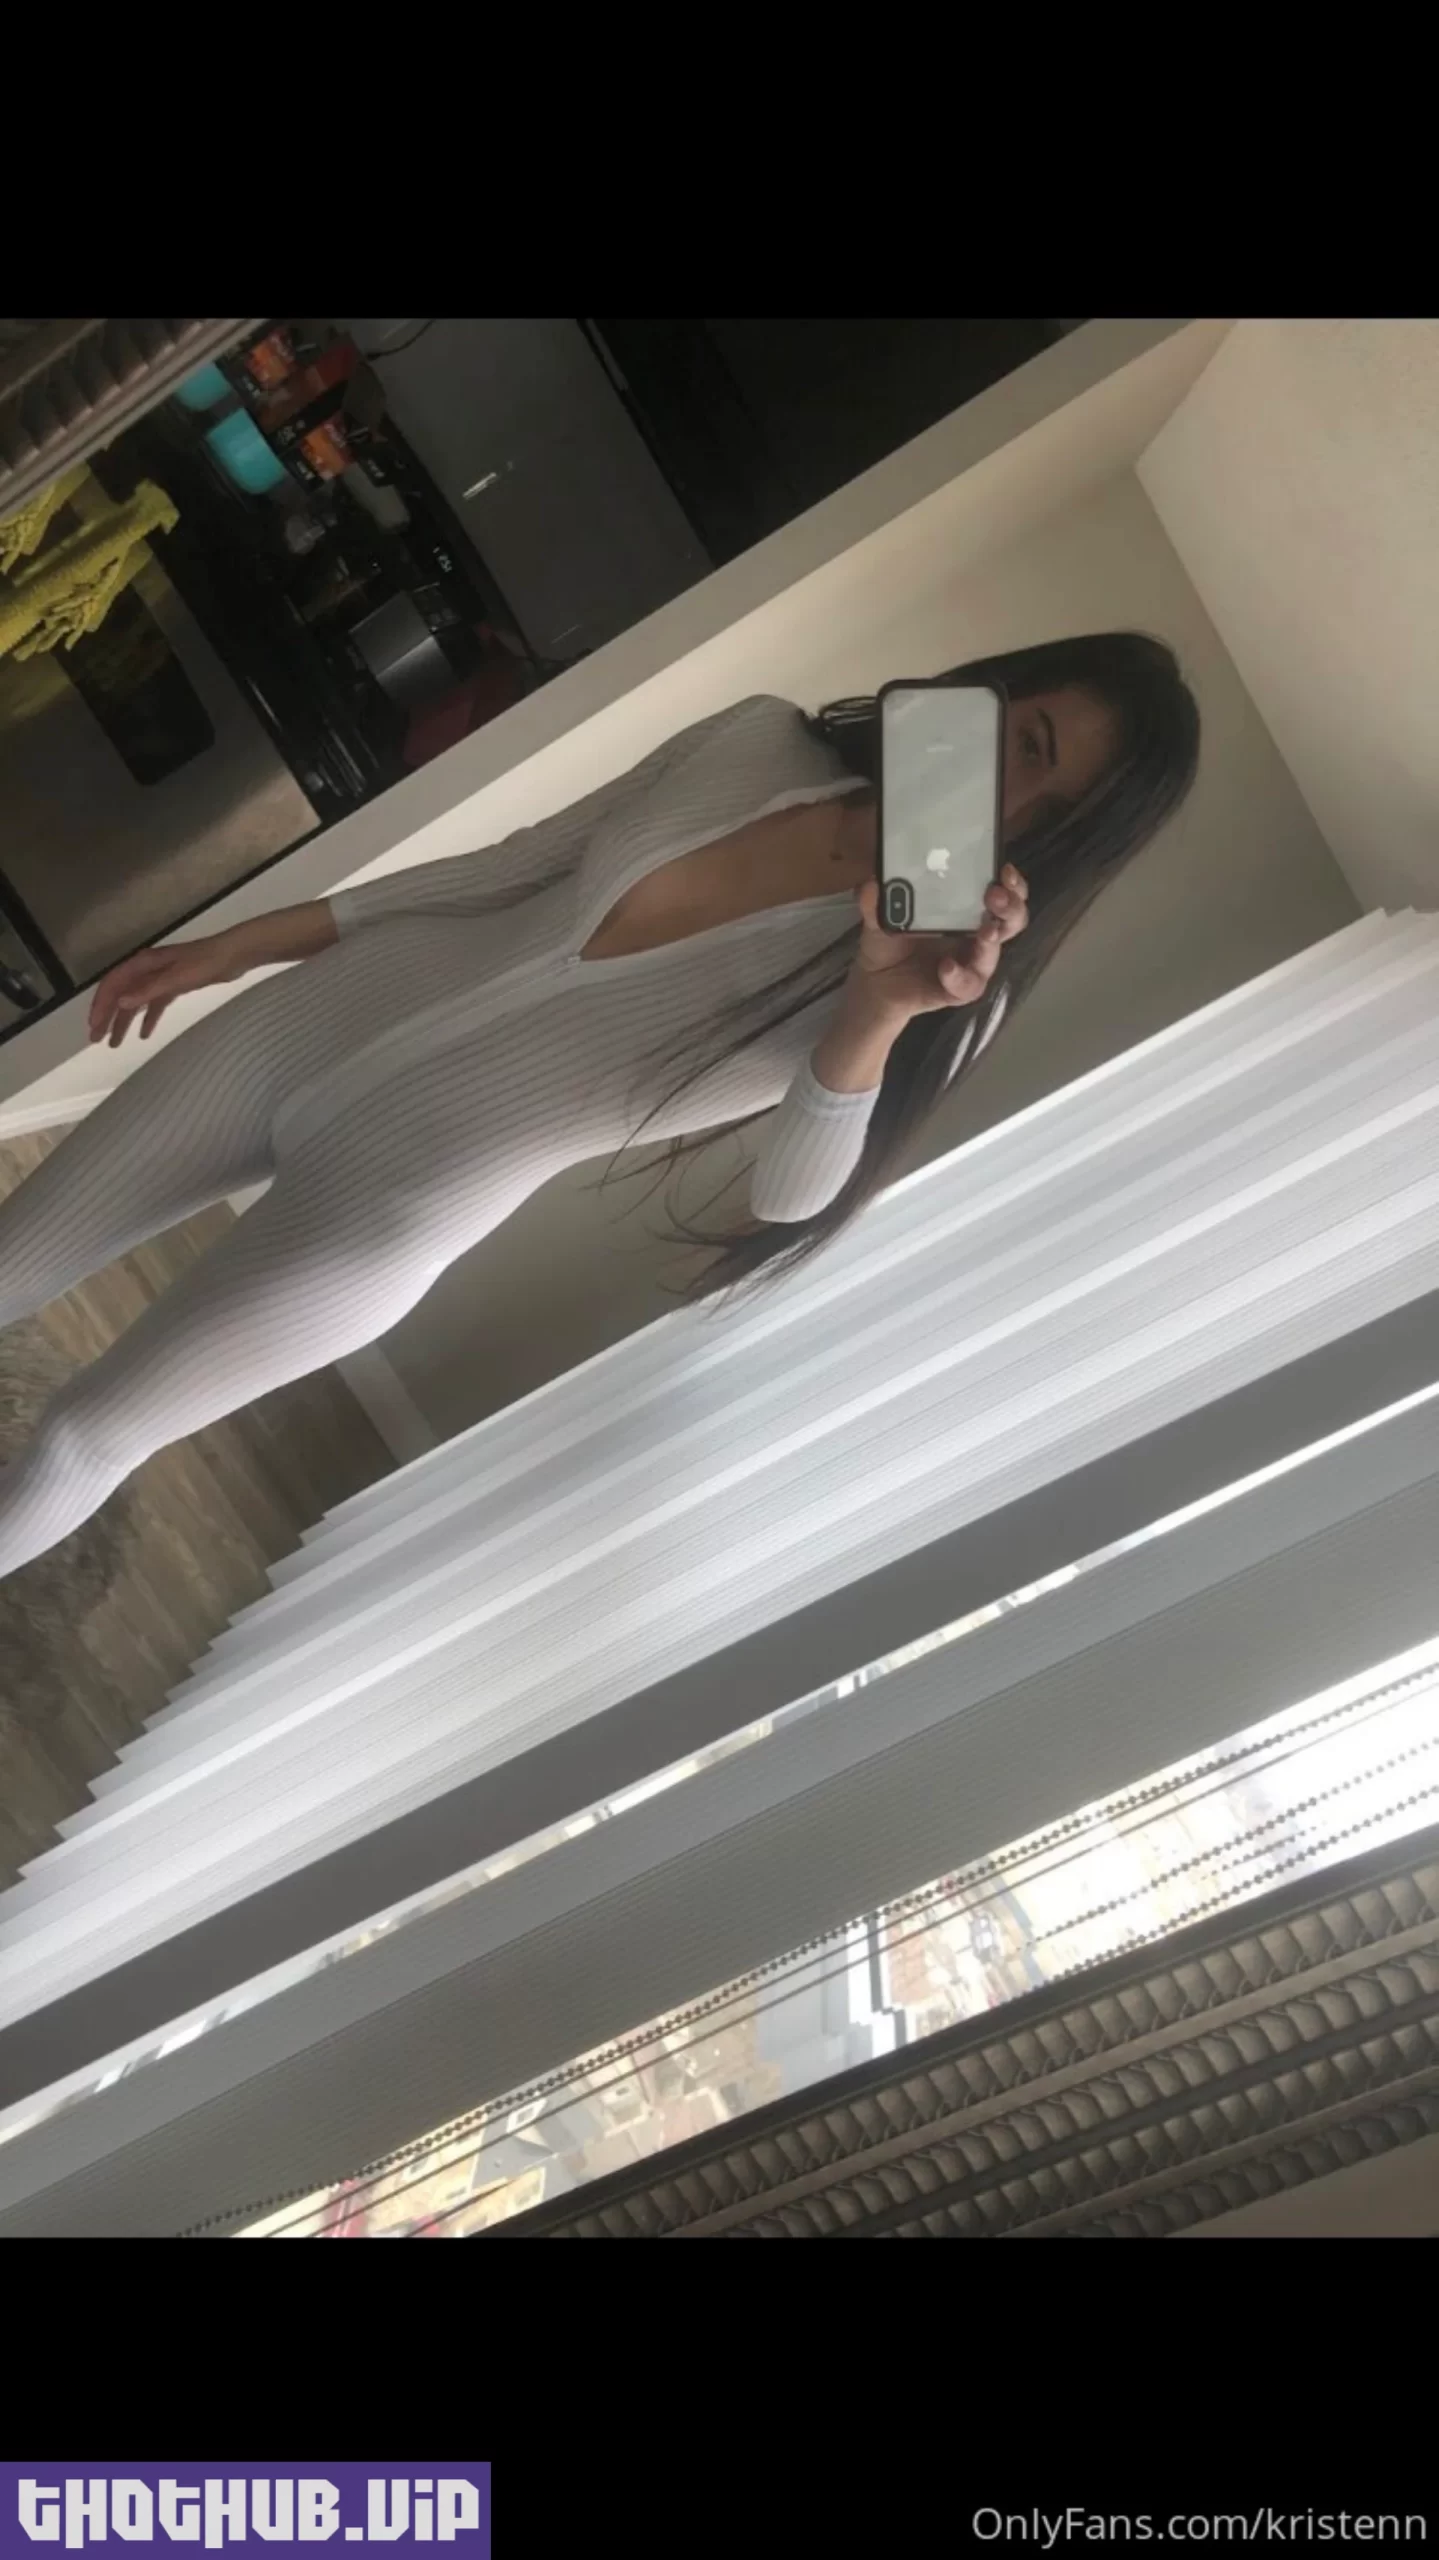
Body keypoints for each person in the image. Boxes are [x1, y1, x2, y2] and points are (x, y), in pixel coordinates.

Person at [0, 631, 1199, 1578]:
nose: (1009, 804)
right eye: (1027, 745)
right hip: (304, 1024)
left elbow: (793, 1194)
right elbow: (506, 868)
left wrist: (875, 1004)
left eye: (1055, 815)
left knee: (83, 1435)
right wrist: (240, 945)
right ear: (986, 696)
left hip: (390, 1209)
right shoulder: (757, 740)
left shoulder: (935, 988)